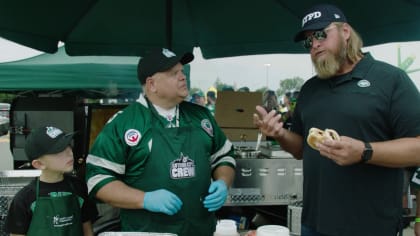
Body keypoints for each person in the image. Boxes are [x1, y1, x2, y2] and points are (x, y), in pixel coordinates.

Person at [253, 3, 420, 236]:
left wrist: (364, 151)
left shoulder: (390, 79)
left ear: (345, 32)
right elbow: (302, 149)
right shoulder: (310, 89)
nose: (315, 44)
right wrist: (279, 133)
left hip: (371, 226)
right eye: (308, 41)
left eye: (321, 34)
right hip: (314, 223)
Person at [85, 48, 236, 236]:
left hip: (201, 229)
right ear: (152, 84)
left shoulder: (201, 116)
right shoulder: (123, 124)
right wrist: (144, 199)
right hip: (147, 231)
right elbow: (98, 180)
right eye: (174, 73)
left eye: (182, 71)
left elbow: (224, 157)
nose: (183, 77)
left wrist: (223, 182)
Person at [6, 126, 98, 236]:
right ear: (39, 164)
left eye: (68, 145)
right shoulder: (24, 199)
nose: (69, 153)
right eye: (59, 150)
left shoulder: (79, 188)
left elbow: (87, 230)